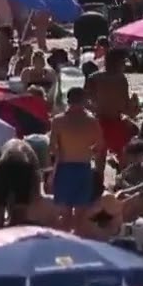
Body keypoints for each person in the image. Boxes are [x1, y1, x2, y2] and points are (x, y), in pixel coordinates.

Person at [49, 86, 102, 228]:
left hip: (64, 169)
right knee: (80, 216)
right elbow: (100, 146)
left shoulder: (58, 121)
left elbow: (52, 148)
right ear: (84, 100)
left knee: (65, 215)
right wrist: (88, 152)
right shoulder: (91, 121)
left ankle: (65, 239)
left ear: (68, 100)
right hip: (84, 167)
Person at [87, 48, 137, 167]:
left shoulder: (94, 77)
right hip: (114, 122)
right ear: (118, 62)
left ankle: (100, 177)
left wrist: (97, 109)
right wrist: (134, 105)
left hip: (99, 122)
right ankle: (120, 173)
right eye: (123, 62)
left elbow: (86, 101)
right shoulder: (120, 79)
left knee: (100, 157)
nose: (125, 65)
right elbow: (124, 106)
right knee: (123, 155)